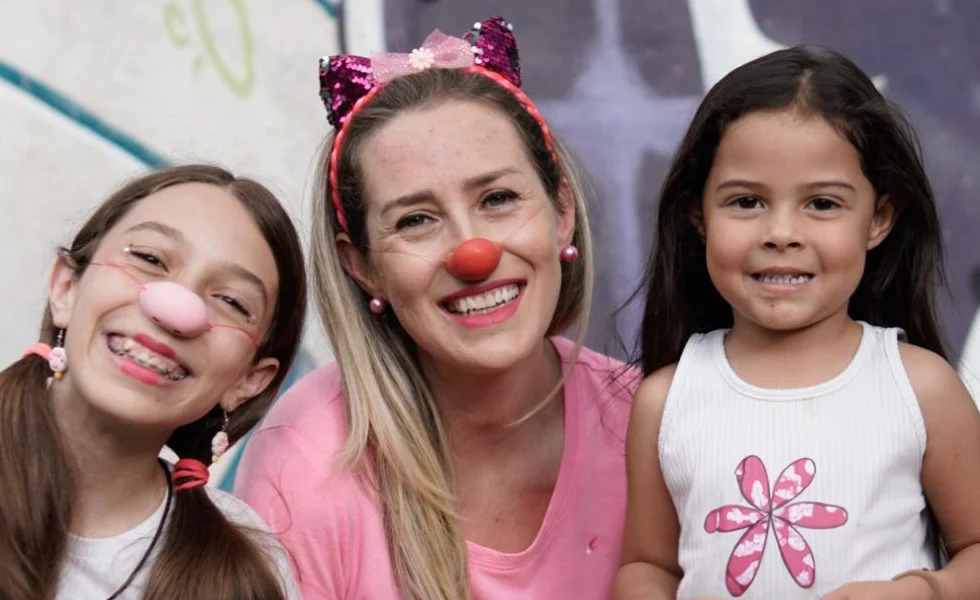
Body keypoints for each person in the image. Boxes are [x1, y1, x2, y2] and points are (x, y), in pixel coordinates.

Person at [234, 15, 636, 600]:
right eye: (415, 220)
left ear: (562, 212)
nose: (472, 254)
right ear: (362, 264)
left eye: (498, 198)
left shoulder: (650, 429)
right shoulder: (304, 458)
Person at [615, 45, 980, 599]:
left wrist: (926, 591)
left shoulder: (920, 388)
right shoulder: (666, 400)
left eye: (823, 204)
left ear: (878, 218)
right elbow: (648, 565)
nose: (781, 232)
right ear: (699, 216)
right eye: (746, 202)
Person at [0, 165, 307, 599]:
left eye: (231, 302)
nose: (175, 310)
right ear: (67, 287)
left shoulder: (246, 578)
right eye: (149, 259)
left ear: (249, 380)